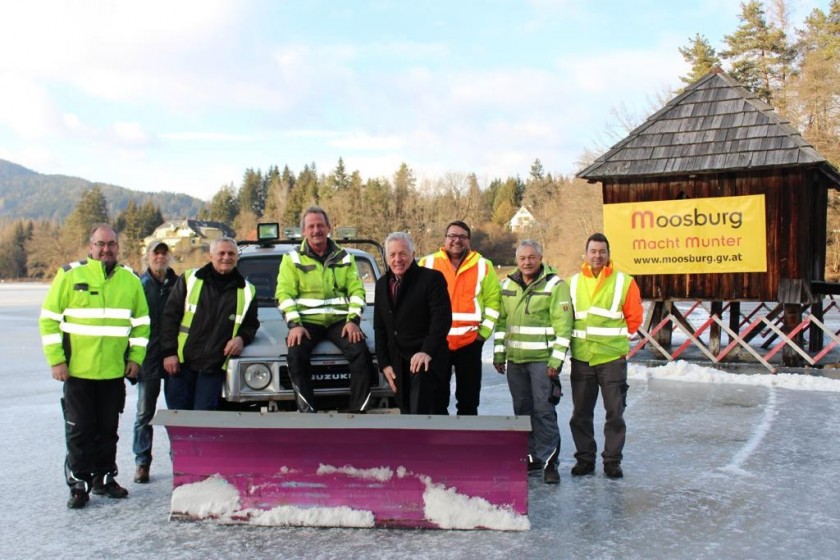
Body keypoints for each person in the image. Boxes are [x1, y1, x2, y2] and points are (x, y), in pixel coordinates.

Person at [40, 224, 150, 509]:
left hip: (113, 372)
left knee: (107, 430)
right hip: (77, 372)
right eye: (100, 244)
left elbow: (141, 325)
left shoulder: (130, 280)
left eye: (111, 244)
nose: (106, 249)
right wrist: (57, 359)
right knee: (80, 430)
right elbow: (49, 319)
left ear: (117, 247)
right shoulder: (70, 275)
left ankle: (104, 479)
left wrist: (135, 359)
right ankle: (79, 484)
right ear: (90, 246)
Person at [275, 207, 373, 413]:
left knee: (361, 352)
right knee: (295, 355)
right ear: (304, 231)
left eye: (320, 225)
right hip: (306, 324)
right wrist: (294, 325)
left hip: (340, 322)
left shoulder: (345, 257)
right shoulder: (292, 259)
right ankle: (308, 411)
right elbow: (284, 295)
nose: (316, 230)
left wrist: (353, 320)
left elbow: (357, 290)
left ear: (328, 228)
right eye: (311, 226)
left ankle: (358, 412)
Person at [494, 240, 573, 485]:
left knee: (544, 412)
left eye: (531, 257)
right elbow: (500, 322)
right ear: (517, 261)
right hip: (516, 363)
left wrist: (556, 361)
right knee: (522, 412)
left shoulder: (555, 285)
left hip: (542, 363)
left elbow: (564, 326)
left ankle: (550, 463)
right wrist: (499, 354)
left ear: (541, 258)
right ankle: (531, 458)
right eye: (522, 258)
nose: (527, 262)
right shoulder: (507, 285)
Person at [567, 233, 643, 479]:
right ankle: (585, 459)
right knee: (580, 414)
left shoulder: (624, 282)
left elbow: (635, 318)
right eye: (593, 251)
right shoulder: (573, 283)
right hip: (582, 358)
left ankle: (612, 461)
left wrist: (619, 343)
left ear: (608, 254)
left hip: (611, 359)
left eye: (602, 251)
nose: (597, 255)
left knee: (614, 412)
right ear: (586, 253)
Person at [161, 237, 259, 411]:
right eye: (221, 253)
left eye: (231, 254)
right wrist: (169, 353)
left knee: (203, 419)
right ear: (211, 256)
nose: (226, 257)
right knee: (178, 418)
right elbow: (169, 317)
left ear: (237, 258)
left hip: (213, 368)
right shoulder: (189, 279)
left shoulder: (247, 291)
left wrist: (241, 339)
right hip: (181, 364)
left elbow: (251, 325)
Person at [419, 220, 500, 415]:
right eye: (452, 236)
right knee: (437, 400)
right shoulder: (427, 263)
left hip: (469, 342)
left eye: (462, 237)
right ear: (445, 239)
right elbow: (417, 303)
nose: (457, 240)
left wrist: (482, 335)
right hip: (438, 343)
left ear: (469, 241)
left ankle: (467, 442)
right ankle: (439, 443)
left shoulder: (484, 266)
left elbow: (493, 303)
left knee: (469, 401)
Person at [374, 232, 451, 414]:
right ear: (386, 258)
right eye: (392, 255)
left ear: (413, 254)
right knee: (407, 416)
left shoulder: (432, 279)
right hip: (397, 365)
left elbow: (442, 319)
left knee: (428, 416)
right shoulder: (381, 284)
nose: (397, 259)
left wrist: (426, 351)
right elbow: (380, 328)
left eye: (403, 254)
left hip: (427, 363)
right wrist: (384, 364)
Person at [131, 241, 178, 484]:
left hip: (173, 357)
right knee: (144, 413)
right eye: (155, 253)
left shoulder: (178, 284)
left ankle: (179, 460)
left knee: (176, 412)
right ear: (148, 256)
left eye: (164, 253)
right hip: (147, 358)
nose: (160, 257)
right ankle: (142, 462)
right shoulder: (138, 286)